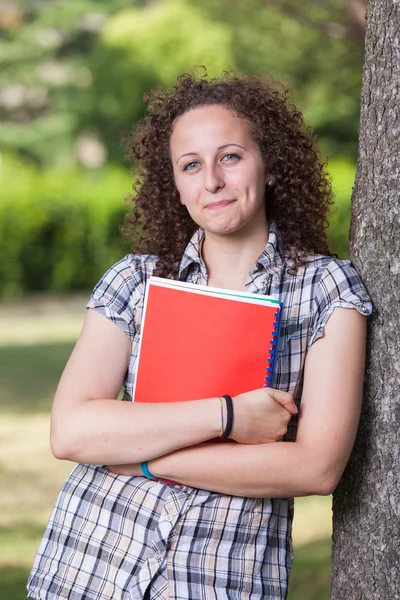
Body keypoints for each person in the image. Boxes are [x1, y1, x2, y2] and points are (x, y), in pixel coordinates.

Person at [27, 70, 372, 600]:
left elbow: (315, 466)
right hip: (90, 561)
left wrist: (139, 457)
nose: (211, 180)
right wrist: (229, 415)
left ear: (272, 166)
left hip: (219, 575)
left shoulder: (327, 287)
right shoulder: (136, 279)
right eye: (191, 165)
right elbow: (71, 431)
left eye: (230, 157)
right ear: (178, 186)